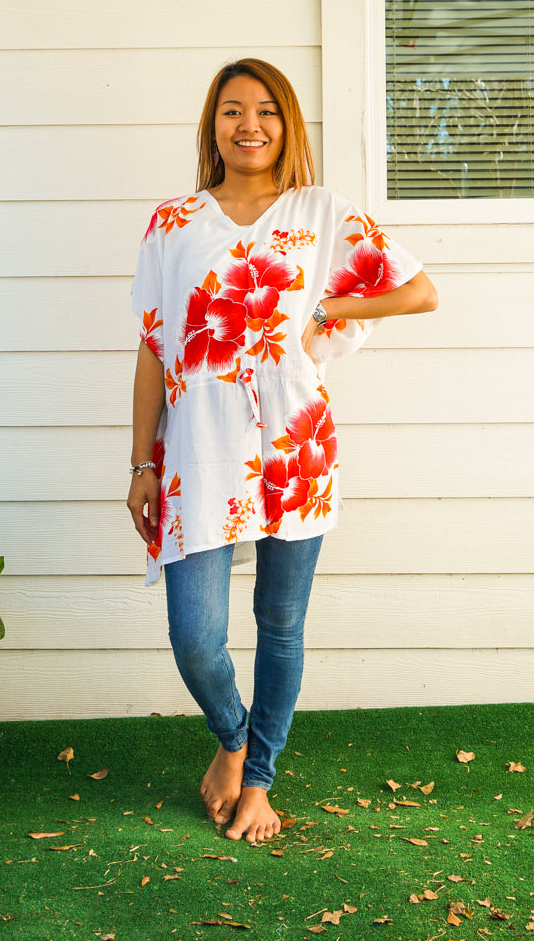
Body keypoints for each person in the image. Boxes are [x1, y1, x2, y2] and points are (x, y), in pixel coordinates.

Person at [127, 58, 437, 844]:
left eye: (265, 110)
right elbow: (155, 348)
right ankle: (232, 738)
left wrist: (326, 305)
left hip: (294, 448)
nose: (249, 124)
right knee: (194, 637)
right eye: (232, 111)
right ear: (213, 126)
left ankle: (258, 777)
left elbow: (419, 290)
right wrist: (141, 462)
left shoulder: (320, 212)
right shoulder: (173, 223)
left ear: (287, 124)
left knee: (280, 624)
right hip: (196, 453)